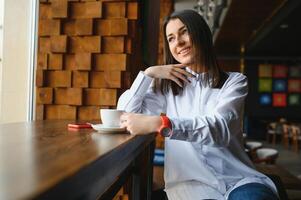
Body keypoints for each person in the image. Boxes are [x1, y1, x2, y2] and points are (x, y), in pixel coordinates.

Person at [117, 10, 279, 200]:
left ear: (201, 33)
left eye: (184, 32)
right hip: (190, 188)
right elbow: (124, 116)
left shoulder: (234, 82)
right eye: (171, 38)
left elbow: (220, 128)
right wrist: (148, 74)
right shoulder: (166, 87)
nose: (178, 42)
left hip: (239, 181)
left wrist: (160, 123)